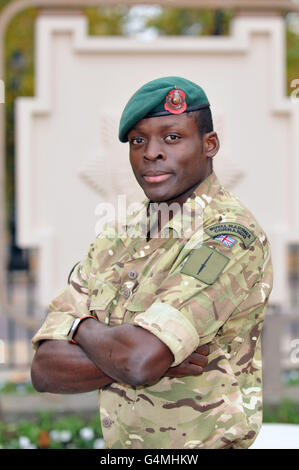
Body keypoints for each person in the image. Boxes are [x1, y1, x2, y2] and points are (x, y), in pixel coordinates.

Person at [31, 76, 273, 449]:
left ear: (209, 145)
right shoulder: (116, 237)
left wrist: (79, 330)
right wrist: (146, 357)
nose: (151, 153)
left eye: (172, 137)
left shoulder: (227, 236)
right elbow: (45, 369)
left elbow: (141, 360)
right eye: (138, 141)